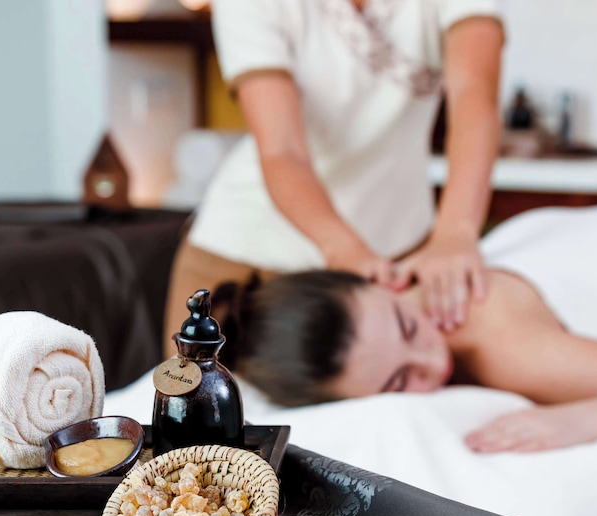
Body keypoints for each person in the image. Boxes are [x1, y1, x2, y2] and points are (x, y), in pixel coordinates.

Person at [224, 203, 597, 453]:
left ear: (377, 277)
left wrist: (575, 421)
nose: (433, 360)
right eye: (400, 382)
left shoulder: (507, 348)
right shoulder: (412, 279)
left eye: (408, 327)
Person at [163, 0, 506, 359]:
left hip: (398, 256)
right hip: (247, 257)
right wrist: (344, 249)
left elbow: (475, 98)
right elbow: (283, 151)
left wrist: (456, 232)